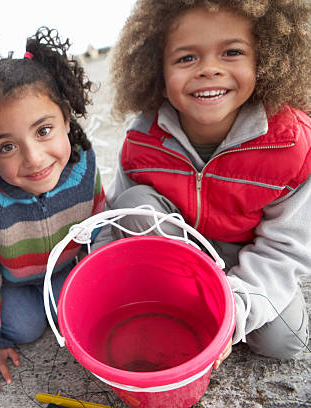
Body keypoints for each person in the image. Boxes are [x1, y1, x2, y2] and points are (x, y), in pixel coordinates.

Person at [94, 0, 311, 369]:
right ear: (156, 70)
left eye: (232, 52)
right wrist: (101, 275)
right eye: (186, 58)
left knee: (284, 341)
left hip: (249, 255)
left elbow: (286, 250)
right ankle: (183, 297)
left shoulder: (292, 144)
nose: (209, 69)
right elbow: (116, 215)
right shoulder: (143, 136)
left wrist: (235, 310)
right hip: (179, 250)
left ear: (267, 57)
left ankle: (215, 305)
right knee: (134, 202)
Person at [0, 27, 106, 392]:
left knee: (79, 316)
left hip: (67, 265)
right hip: (10, 281)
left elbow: (99, 225)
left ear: (66, 118)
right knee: (25, 330)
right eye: (6, 147)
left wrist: (105, 278)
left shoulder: (83, 163)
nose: (34, 158)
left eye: (44, 130)